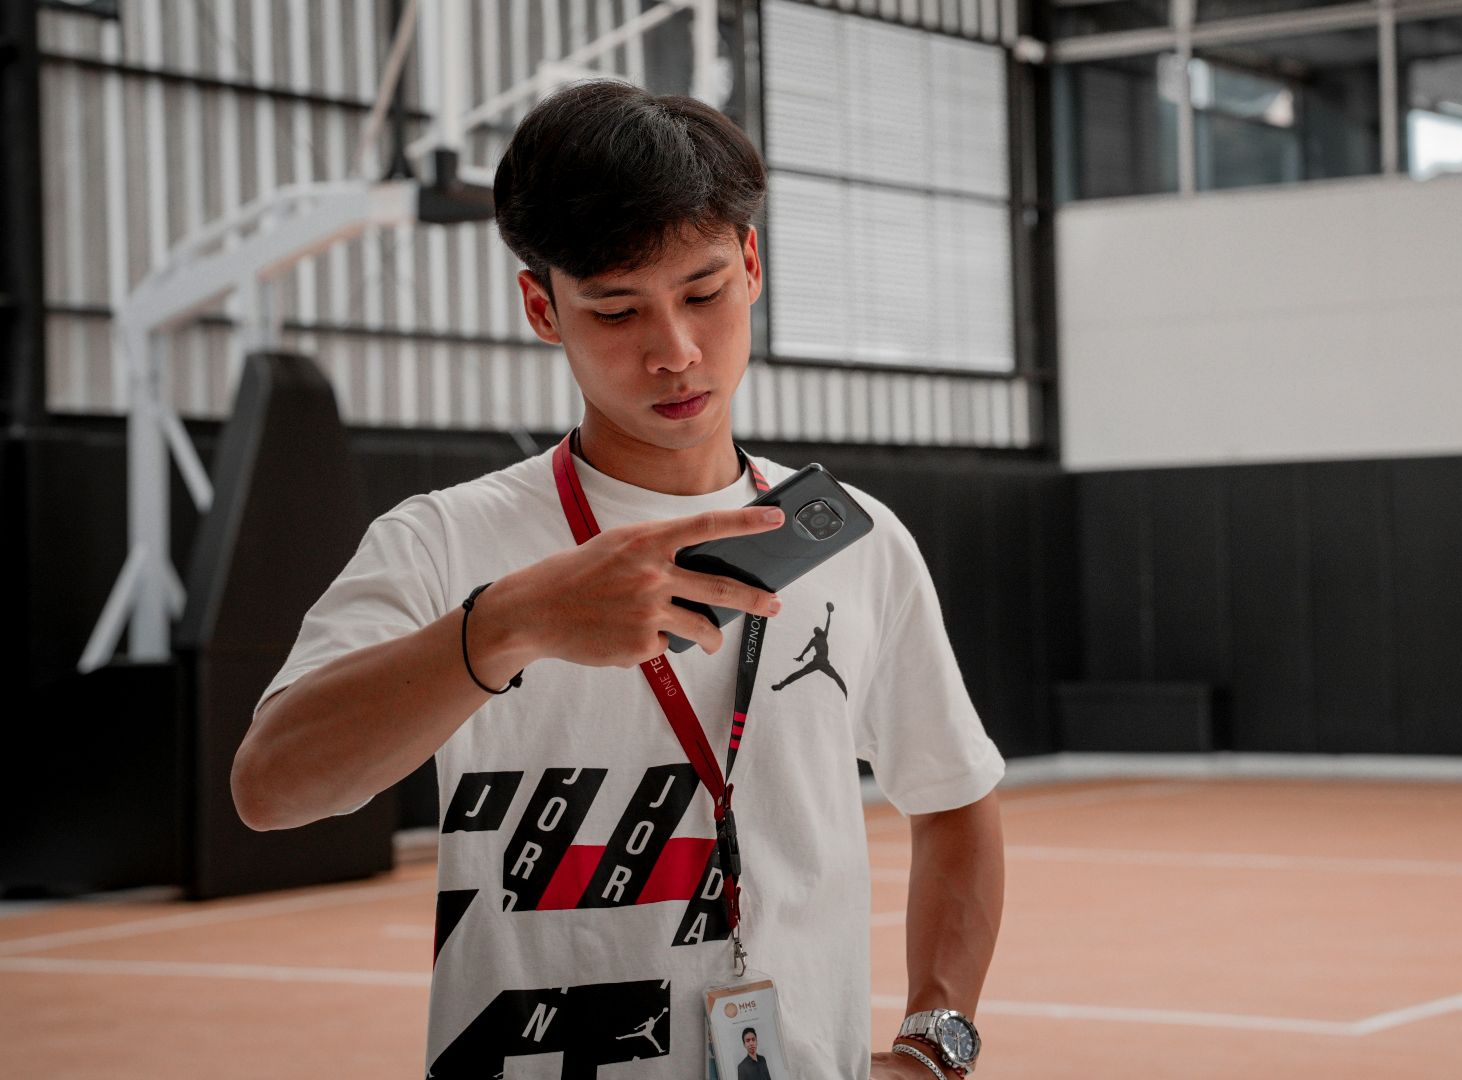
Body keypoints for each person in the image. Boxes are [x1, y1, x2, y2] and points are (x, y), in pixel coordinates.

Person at [232, 80, 1004, 1080]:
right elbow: (271, 787)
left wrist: (934, 1046)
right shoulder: (442, 544)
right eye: (616, 309)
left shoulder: (858, 544)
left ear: (754, 265)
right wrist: (505, 626)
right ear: (541, 308)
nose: (676, 351)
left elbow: (954, 801)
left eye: (704, 290)